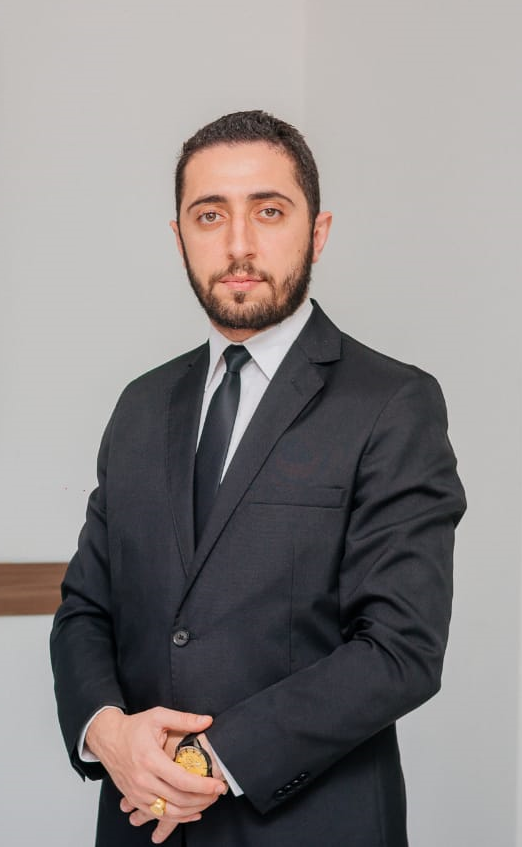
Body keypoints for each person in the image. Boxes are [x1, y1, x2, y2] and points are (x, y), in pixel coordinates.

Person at [51, 110, 466, 847]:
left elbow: (401, 647)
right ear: (179, 236)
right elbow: (86, 608)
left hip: (314, 827)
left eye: (269, 211)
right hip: (139, 823)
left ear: (318, 231)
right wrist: (107, 732)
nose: (238, 244)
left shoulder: (393, 402)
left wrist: (202, 760)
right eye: (210, 215)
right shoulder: (141, 405)